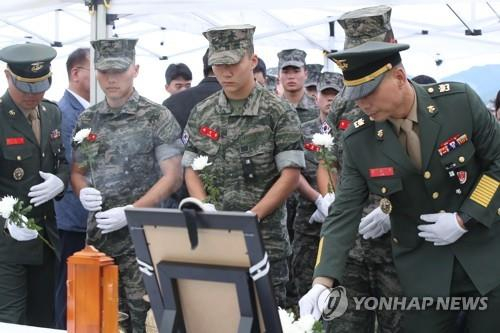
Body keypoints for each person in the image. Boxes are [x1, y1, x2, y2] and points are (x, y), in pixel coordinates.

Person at [300, 40, 500, 332]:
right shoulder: (360, 139)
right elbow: (344, 212)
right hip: (424, 274)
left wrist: (464, 218)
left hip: (486, 261)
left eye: (368, 92)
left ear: (399, 77)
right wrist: (322, 280)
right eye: (355, 95)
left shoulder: (459, 103)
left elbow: (497, 163)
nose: (361, 103)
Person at [181, 24, 305, 307]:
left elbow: (291, 173)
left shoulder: (277, 111)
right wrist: (203, 205)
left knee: (266, 317)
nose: (225, 72)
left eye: (233, 63)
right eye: (218, 64)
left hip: (264, 242)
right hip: (215, 241)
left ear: (252, 60)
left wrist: (252, 216)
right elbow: (191, 165)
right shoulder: (203, 111)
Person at [71, 38, 183, 333]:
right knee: (96, 317)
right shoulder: (88, 118)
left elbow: (172, 177)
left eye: (119, 71)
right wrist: (82, 190)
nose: (111, 79)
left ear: (135, 69)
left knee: (142, 319)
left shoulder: (157, 116)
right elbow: (77, 171)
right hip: (99, 241)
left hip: (143, 241)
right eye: (104, 71)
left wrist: (133, 210)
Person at [317, 6, 404, 332]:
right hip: (351, 246)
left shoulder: (408, 97)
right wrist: (328, 197)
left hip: (400, 247)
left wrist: (392, 209)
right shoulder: (340, 105)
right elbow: (331, 162)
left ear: (392, 43)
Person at [0, 43, 69, 327]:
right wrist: (5, 219)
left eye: (41, 86)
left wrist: (60, 182)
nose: (34, 95)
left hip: (45, 239)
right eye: (26, 88)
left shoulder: (51, 113)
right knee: (12, 320)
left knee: (43, 320)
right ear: (8, 77)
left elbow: (62, 160)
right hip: (7, 244)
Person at [290, 72, 342, 305]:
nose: (330, 99)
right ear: (317, 98)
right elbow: (292, 172)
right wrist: (318, 199)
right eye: (325, 94)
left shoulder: (349, 130)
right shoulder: (303, 130)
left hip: (342, 216)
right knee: (303, 278)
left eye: (335, 94)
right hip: (308, 215)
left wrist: (335, 202)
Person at [53, 47, 90, 330]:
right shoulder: (66, 113)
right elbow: (70, 164)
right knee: (69, 293)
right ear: (76, 73)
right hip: (73, 217)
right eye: (97, 70)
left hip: (88, 218)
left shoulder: (90, 111)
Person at [163, 49, 222, 131]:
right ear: (167, 87)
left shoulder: (173, 104)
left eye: (188, 85)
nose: (184, 89)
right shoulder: (165, 108)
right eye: (178, 86)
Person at [278, 48, 318, 123]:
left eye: (296, 71)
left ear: (305, 74)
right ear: (279, 75)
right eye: (286, 72)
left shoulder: (317, 108)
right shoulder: (272, 109)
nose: (291, 76)